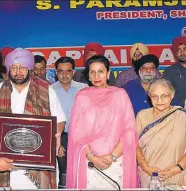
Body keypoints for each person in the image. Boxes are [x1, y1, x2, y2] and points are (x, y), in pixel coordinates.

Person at [0, 48, 66, 189]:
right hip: (7, 161)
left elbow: (59, 119)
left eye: (22, 68)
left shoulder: (46, 90)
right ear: (8, 69)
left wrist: (56, 136)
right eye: (14, 68)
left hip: (38, 161)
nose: (18, 72)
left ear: (29, 68)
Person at [66, 55, 138, 189]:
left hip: (116, 162)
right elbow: (76, 133)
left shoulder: (120, 95)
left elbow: (129, 131)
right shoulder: (82, 97)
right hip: (90, 163)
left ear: (108, 73)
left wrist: (112, 157)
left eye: (101, 71)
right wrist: (92, 158)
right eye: (92, 72)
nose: (96, 76)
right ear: (88, 75)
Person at [136, 79, 186, 188]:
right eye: (155, 96)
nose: (160, 100)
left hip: (177, 174)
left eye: (164, 96)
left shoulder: (182, 116)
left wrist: (177, 168)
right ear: (150, 97)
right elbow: (135, 146)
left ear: (172, 96)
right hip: (149, 176)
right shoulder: (142, 116)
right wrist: (145, 167)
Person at [51, 56, 88, 188]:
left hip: (81, 136)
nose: (65, 75)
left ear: (73, 72)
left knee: (80, 169)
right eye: (61, 71)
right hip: (58, 136)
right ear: (55, 72)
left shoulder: (84, 89)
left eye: (68, 71)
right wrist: (57, 141)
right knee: (63, 172)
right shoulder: (49, 90)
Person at [163, 36, 186, 107]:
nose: (182, 52)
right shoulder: (169, 71)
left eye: (185, 49)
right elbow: (166, 95)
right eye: (179, 50)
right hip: (178, 114)